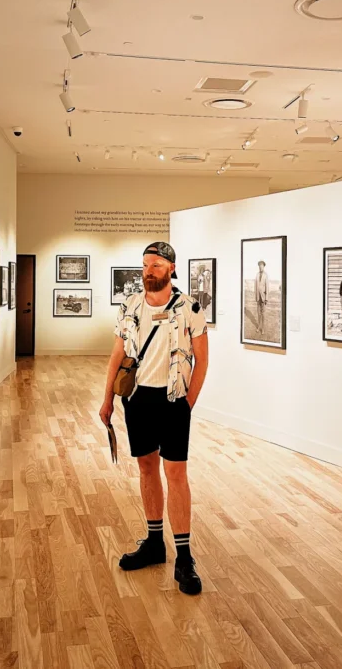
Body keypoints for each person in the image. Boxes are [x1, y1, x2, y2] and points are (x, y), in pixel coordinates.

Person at [100, 242, 209, 595]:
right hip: (138, 398)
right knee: (147, 467)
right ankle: (153, 542)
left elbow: (203, 360)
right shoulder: (131, 304)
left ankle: (184, 557)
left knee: (175, 473)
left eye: (157, 265)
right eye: (146, 265)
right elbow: (118, 353)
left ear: (172, 269)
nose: (149, 271)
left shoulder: (190, 307)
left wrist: (187, 403)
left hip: (174, 398)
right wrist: (107, 400)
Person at [254, 260, 269, 337]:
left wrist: (266, 298)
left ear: (264, 266)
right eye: (259, 266)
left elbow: (267, 287)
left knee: (263, 314)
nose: (260, 267)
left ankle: (263, 328)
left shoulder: (266, 275)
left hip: (263, 298)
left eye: (262, 266)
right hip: (258, 298)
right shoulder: (256, 275)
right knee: (258, 314)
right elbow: (255, 287)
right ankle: (258, 327)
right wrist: (255, 297)